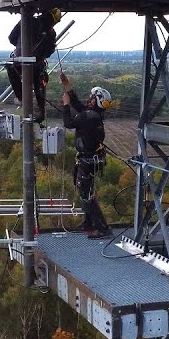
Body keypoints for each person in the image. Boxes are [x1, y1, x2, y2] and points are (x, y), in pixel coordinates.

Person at [60, 71, 112, 239]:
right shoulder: (93, 115)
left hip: (88, 161)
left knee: (86, 194)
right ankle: (89, 222)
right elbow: (78, 105)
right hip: (90, 160)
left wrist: (65, 105)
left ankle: (102, 227)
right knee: (84, 190)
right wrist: (67, 86)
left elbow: (68, 122)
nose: (89, 99)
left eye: (91, 97)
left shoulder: (89, 117)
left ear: (96, 101)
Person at [6, 9, 60, 123]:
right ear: (53, 21)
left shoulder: (26, 21)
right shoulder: (51, 32)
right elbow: (49, 52)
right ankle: (40, 110)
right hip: (36, 64)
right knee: (39, 79)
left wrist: (22, 45)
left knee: (11, 68)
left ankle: (22, 98)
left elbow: (11, 38)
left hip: (18, 62)